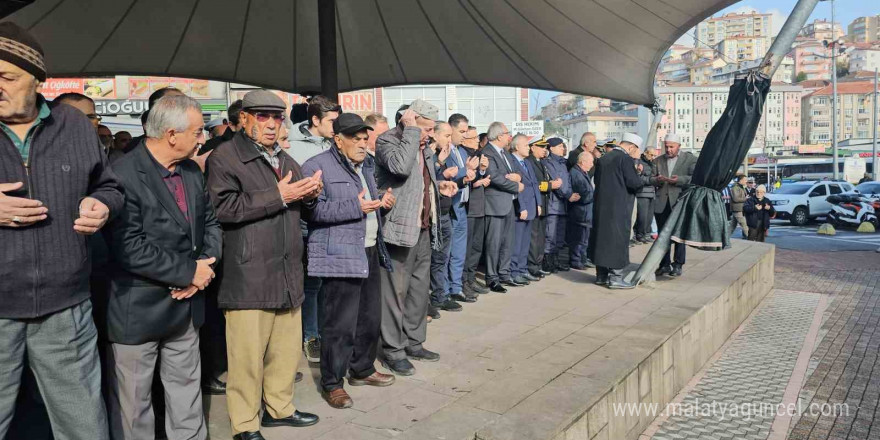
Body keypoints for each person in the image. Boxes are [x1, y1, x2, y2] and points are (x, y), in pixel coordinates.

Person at [0, 22, 124, 439]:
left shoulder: (73, 124)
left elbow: (108, 184)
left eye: (7, 77)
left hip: (66, 306)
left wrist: (102, 205)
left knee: (83, 424)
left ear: (37, 80)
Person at [103, 95, 222, 440]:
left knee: (187, 395)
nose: (203, 139)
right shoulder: (123, 173)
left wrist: (202, 273)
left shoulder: (190, 171)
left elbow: (211, 225)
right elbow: (129, 246)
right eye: (198, 131)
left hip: (186, 306)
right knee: (134, 406)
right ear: (172, 134)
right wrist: (188, 273)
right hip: (138, 309)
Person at [206, 90, 322, 440]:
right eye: (262, 116)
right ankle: (244, 423)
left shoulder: (285, 159)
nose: (272, 124)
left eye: (277, 117)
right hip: (248, 273)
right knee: (245, 359)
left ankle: (279, 408)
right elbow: (222, 209)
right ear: (243, 119)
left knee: (285, 353)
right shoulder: (225, 157)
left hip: (287, 271)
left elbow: (300, 209)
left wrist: (310, 196)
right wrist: (280, 196)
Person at [300, 113, 397, 409]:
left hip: (368, 248)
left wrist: (382, 202)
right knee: (338, 325)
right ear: (337, 139)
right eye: (354, 138)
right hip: (339, 255)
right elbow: (313, 213)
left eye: (364, 137)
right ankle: (332, 383)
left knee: (369, 318)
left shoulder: (367, 164)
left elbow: (366, 203)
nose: (361, 142)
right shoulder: (316, 166)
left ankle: (363, 369)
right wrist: (355, 207)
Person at [374, 100, 457, 376]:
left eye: (433, 129)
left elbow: (420, 181)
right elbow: (400, 168)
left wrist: (439, 186)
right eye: (426, 128)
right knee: (395, 293)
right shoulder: (389, 140)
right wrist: (411, 131)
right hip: (398, 230)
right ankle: (393, 350)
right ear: (410, 119)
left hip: (424, 227)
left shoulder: (424, 147)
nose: (430, 134)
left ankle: (414, 341)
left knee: (419, 292)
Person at [287, 95, 342, 364]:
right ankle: (310, 335)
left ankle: (323, 331)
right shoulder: (290, 146)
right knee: (310, 283)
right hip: (304, 223)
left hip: (332, 221)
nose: (337, 126)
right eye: (332, 121)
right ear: (315, 120)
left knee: (326, 283)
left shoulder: (337, 143)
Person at [590, 134, 644, 289]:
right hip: (619, 208)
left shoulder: (604, 158)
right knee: (617, 240)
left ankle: (601, 275)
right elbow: (633, 183)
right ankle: (616, 277)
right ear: (632, 147)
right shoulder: (625, 159)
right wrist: (639, 176)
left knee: (601, 239)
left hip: (601, 206)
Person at [429, 122, 465, 314]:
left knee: (442, 258)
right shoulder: (429, 155)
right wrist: (441, 171)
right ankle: (433, 298)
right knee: (432, 259)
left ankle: (440, 296)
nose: (450, 140)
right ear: (435, 135)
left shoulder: (445, 155)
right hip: (432, 215)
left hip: (445, 212)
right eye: (447, 135)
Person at [482, 122, 522, 292]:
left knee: (507, 241)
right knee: (494, 243)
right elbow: (495, 177)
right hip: (495, 204)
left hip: (508, 203)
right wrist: (515, 186)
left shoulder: (504, 153)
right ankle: (492, 277)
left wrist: (517, 177)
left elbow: (517, 171)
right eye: (507, 133)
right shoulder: (488, 152)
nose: (509, 137)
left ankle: (504, 274)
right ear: (499, 136)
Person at [442, 113, 478, 304]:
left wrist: (474, 172)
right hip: (451, 207)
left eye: (466, 131)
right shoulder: (445, 152)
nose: (464, 135)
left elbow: (467, 176)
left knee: (459, 252)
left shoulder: (462, 152)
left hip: (463, 207)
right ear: (451, 128)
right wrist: (465, 172)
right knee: (447, 253)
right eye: (461, 131)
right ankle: (445, 290)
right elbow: (446, 178)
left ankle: (456, 288)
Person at [651, 133, 697, 278]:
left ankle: (678, 264)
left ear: (679, 146)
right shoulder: (658, 160)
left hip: (679, 202)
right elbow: (650, 178)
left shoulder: (689, 160)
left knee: (679, 235)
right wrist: (657, 180)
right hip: (661, 204)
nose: (669, 150)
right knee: (662, 235)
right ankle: (664, 264)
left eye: (672, 147)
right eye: (666, 147)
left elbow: (695, 179)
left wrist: (679, 180)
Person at [461, 125, 492, 298]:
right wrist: (477, 180)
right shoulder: (463, 154)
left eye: (476, 138)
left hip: (480, 206)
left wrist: (481, 171)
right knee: (467, 247)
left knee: (476, 247)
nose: (476, 141)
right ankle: (464, 281)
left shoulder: (478, 154)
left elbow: (481, 177)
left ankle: (471, 279)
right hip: (469, 208)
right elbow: (464, 179)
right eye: (472, 138)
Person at [509, 134, 542, 284]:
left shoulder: (527, 162)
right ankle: (514, 271)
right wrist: (522, 207)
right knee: (517, 242)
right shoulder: (512, 162)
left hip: (531, 206)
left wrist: (538, 204)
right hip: (521, 208)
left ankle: (522, 269)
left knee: (526, 242)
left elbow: (534, 183)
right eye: (526, 145)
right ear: (517, 147)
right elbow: (517, 188)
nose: (529, 148)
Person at [543, 137, 574, 273]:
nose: (563, 149)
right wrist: (568, 195)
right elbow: (558, 184)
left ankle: (556, 261)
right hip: (553, 205)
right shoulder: (549, 163)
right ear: (552, 148)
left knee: (560, 236)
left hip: (562, 205)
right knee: (551, 236)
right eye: (560, 146)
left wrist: (570, 194)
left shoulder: (562, 163)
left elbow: (568, 183)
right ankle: (548, 262)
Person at [567, 153, 595, 269]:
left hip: (585, 213)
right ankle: (576, 260)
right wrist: (596, 195)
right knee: (579, 239)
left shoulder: (582, 173)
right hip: (580, 213)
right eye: (590, 162)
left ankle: (582, 259)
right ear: (583, 162)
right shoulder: (576, 174)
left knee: (583, 239)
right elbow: (583, 195)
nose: (592, 164)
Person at [633, 147, 655, 244]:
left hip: (652, 193)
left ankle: (646, 233)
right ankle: (639, 234)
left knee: (649, 217)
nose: (653, 157)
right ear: (645, 153)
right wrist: (650, 180)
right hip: (642, 193)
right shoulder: (639, 162)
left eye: (654, 155)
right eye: (651, 154)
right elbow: (638, 177)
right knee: (642, 216)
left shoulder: (653, 163)